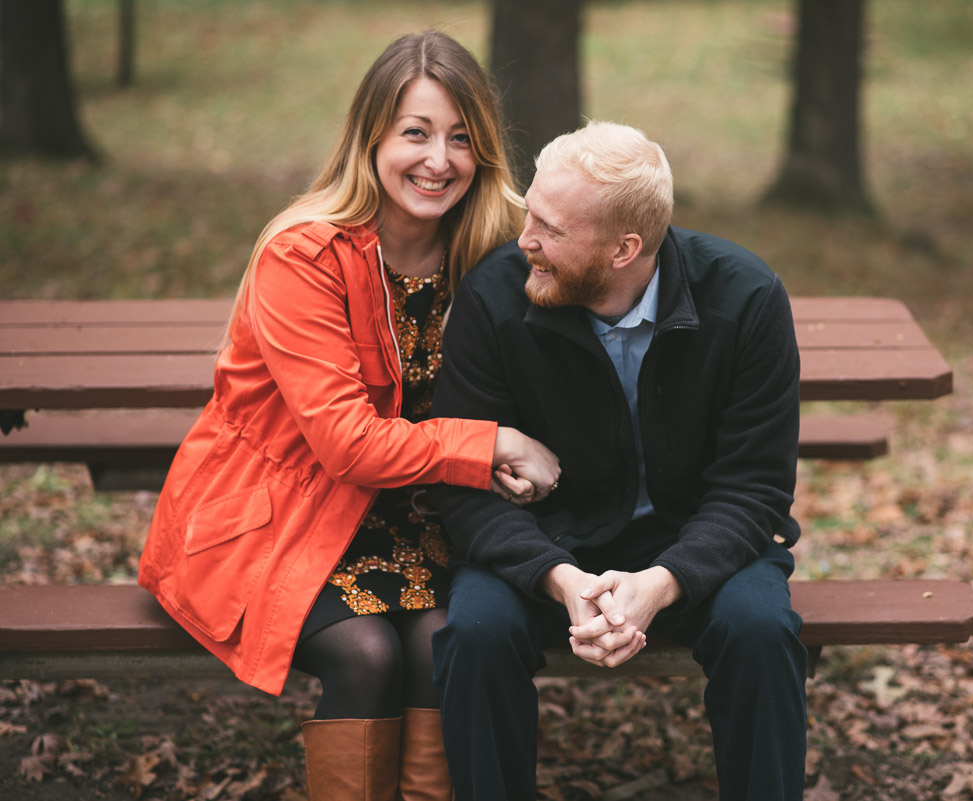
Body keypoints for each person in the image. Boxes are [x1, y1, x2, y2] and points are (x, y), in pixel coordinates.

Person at [137, 32, 560, 801]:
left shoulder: (491, 247)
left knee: (445, 642)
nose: (439, 160)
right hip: (280, 520)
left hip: (417, 518)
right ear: (372, 138)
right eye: (416, 133)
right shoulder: (303, 255)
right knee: (365, 653)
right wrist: (491, 443)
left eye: (462, 138)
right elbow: (346, 444)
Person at [428, 121, 808, 800]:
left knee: (761, 629)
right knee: (476, 632)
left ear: (624, 248)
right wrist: (562, 579)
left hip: (697, 543)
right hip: (544, 545)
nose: (525, 242)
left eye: (550, 228)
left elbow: (754, 489)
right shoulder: (493, 298)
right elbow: (467, 491)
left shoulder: (746, 299)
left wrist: (662, 582)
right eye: (528, 215)